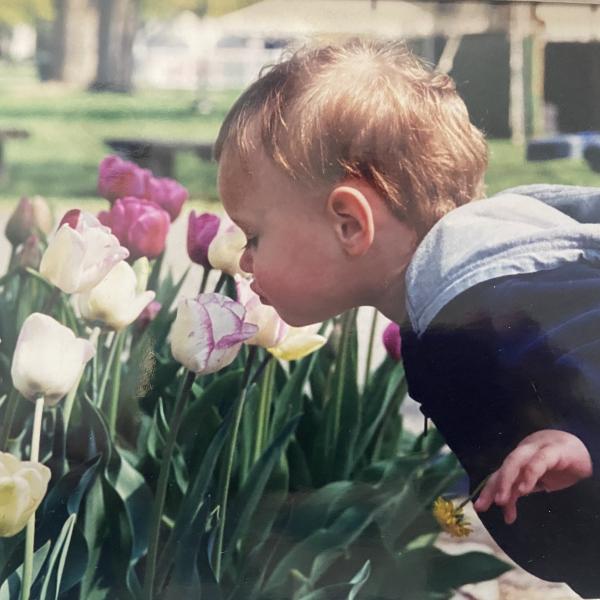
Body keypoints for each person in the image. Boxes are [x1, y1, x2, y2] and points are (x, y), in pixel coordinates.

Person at [214, 38, 600, 598]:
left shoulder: (482, 301)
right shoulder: (468, 286)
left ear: (350, 223)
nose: (245, 259)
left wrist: (586, 439)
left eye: (255, 234)